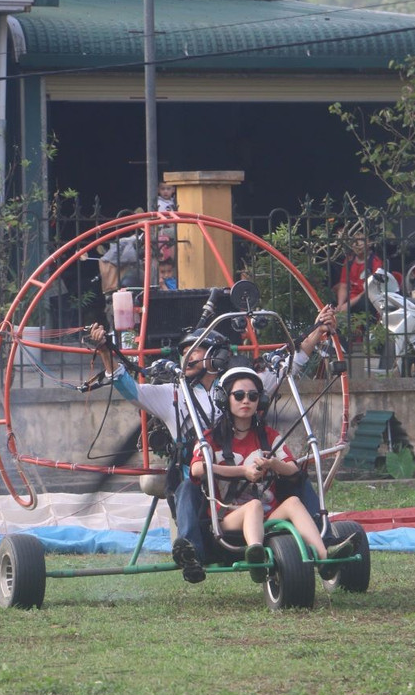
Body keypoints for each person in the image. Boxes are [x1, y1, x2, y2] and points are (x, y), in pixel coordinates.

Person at [89, 303, 338, 583]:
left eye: (193, 350)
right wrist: (106, 353)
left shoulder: (238, 388)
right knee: (187, 487)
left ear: (215, 355)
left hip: (251, 476)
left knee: (297, 479)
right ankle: (191, 553)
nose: (187, 356)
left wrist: (318, 329)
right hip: (200, 479)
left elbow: (289, 363)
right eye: (184, 351)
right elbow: (131, 390)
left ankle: (325, 542)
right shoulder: (172, 393)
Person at [191, 367, 356, 582]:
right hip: (228, 518)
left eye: (253, 396)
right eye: (239, 395)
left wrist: (273, 464)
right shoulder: (210, 438)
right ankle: (257, 557)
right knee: (253, 506)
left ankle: (325, 560)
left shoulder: (269, 436)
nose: (246, 401)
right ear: (225, 399)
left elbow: (293, 469)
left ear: (260, 401)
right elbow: (197, 469)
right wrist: (242, 471)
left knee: (293, 502)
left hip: (268, 516)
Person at [334, 231, 382, 314]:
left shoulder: (375, 262)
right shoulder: (349, 260)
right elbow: (344, 285)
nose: (358, 244)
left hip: (365, 298)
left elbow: (371, 289)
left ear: (369, 243)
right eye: (354, 241)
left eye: (361, 240)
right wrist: (340, 305)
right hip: (350, 297)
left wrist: (349, 304)